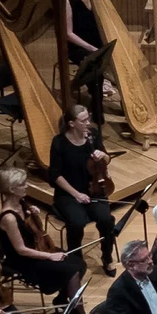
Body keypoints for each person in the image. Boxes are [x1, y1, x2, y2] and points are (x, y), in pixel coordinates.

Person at [0, 167, 84, 314]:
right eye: (22, 184)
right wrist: (49, 256)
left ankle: (61, 300)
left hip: (36, 248)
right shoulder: (9, 218)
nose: (27, 185)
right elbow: (21, 250)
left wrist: (31, 213)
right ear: (12, 189)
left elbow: (31, 229)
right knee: (72, 272)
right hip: (23, 261)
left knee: (79, 263)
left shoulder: (21, 203)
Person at [48, 105, 115, 274]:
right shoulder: (59, 143)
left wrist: (103, 156)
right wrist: (76, 194)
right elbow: (55, 176)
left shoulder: (93, 136)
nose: (88, 122)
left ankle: (107, 256)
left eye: (88, 118)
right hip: (69, 193)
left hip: (94, 189)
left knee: (106, 219)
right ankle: (77, 262)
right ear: (72, 123)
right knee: (77, 223)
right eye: (84, 120)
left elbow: (106, 160)